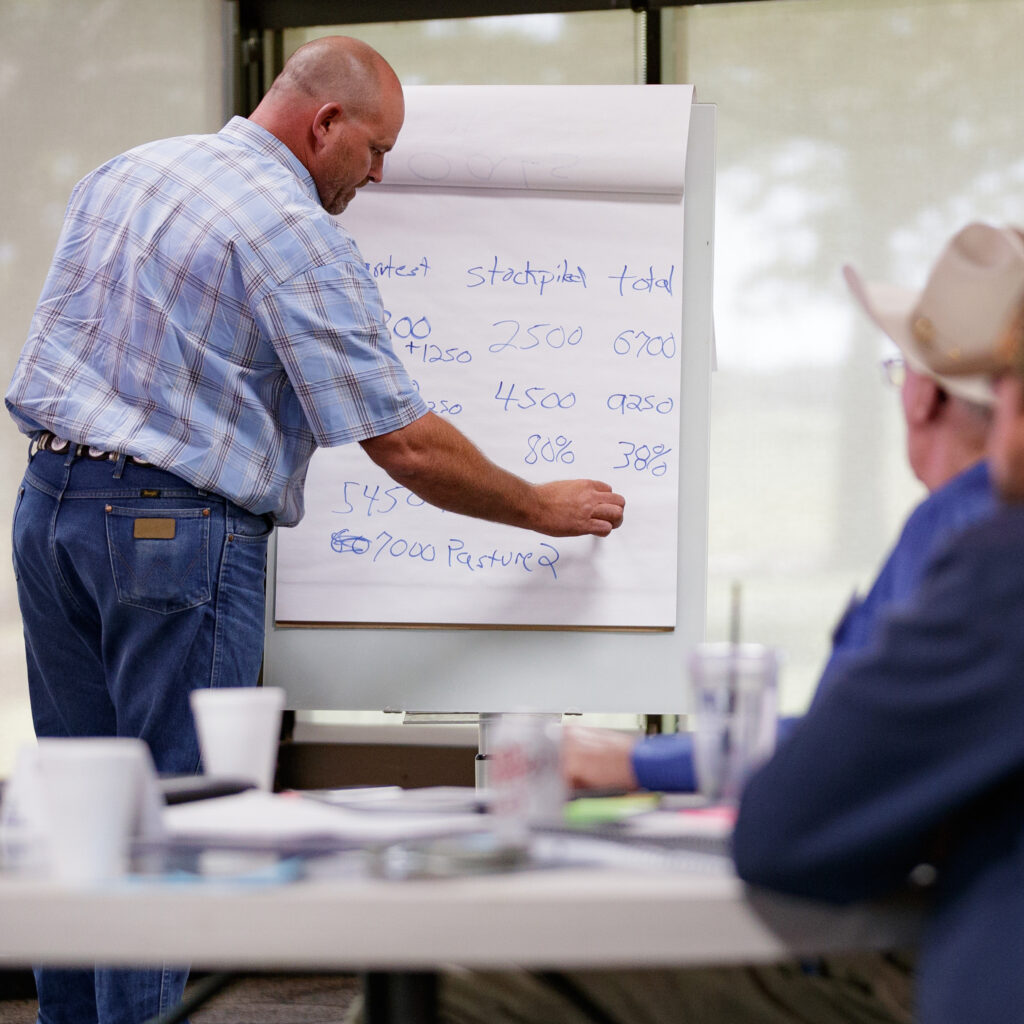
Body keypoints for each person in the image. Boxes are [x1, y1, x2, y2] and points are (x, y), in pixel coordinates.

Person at [5, 36, 624, 1024]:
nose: (377, 175)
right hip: (172, 531)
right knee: (175, 821)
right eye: (375, 149)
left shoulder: (132, 169)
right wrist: (542, 507)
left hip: (50, 510)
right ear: (324, 123)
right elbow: (405, 445)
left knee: (84, 812)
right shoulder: (291, 230)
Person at [345, 222, 1024, 1024]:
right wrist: (654, 759)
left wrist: (648, 761)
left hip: (922, 967)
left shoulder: (985, 550)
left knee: (453, 991)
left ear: (924, 394)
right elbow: (883, 745)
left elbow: (795, 824)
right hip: (917, 929)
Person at [563, 226, 999, 796]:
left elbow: (860, 742)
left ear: (925, 396)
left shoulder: (956, 528)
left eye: (901, 370)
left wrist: (639, 761)